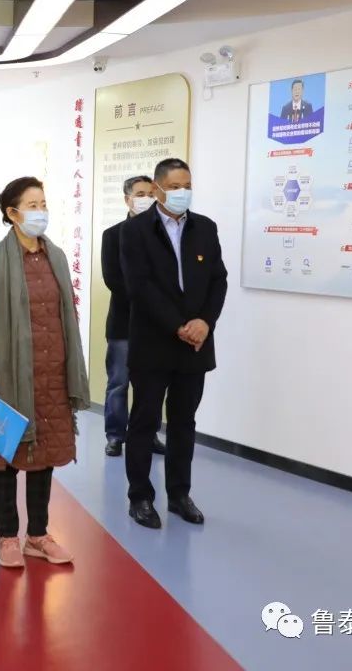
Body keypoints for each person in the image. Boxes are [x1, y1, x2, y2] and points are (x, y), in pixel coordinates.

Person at [0, 177, 90, 569]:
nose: (41, 212)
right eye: (32, 205)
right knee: (6, 457)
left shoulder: (55, 257)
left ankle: (37, 536)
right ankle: (8, 537)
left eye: (43, 203)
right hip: (9, 379)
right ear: (12, 213)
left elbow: (65, 316)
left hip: (52, 375)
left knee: (45, 457)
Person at [119, 158, 227, 530]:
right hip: (153, 344)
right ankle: (140, 497)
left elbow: (218, 280)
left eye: (188, 185)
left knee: (184, 423)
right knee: (144, 421)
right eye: (176, 186)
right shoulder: (135, 231)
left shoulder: (205, 228)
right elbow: (139, 287)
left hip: (194, 346)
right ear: (158, 188)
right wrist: (178, 325)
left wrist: (204, 322)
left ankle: (180, 494)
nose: (183, 192)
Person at [100, 175, 164, 457]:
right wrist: (149, 299)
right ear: (127, 199)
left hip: (157, 325)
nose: (146, 199)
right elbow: (113, 279)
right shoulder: (112, 235)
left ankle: (148, 435)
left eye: (151, 193)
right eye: (140, 194)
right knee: (118, 383)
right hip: (123, 324)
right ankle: (115, 436)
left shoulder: (165, 234)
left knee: (151, 386)